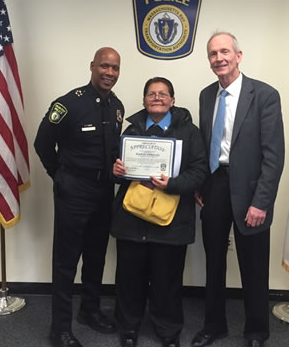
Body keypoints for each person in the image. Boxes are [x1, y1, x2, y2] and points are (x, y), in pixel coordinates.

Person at [191, 32, 285, 347]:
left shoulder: (265, 95)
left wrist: (262, 202)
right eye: (213, 54)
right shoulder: (206, 95)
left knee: (254, 265)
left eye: (224, 51)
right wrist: (201, 183)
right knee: (213, 261)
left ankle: (256, 332)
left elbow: (274, 155)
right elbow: (206, 145)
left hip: (251, 190)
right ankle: (214, 325)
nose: (219, 58)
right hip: (215, 185)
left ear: (239, 55)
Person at [34, 47, 124, 347]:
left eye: (114, 68)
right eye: (104, 66)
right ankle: (60, 327)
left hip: (103, 193)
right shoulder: (68, 104)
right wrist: (59, 175)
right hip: (74, 193)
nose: (109, 72)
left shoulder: (117, 107)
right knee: (66, 261)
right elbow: (42, 142)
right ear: (92, 66)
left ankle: (89, 310)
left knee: (96, 256)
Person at [111, 77, 208, 347]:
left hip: (172, 221)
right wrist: (116, 171)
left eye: (163, 94)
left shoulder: (190, 132)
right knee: (130, 278)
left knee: (168, 281)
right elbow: (118, 172)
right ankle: (129, 328)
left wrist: (173, 184)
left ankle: (168, 331)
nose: (157, 98)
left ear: (172, 100)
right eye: (151, 94)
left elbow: (200, 172)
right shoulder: (130, 132)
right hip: (132, 219)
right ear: (144, 100)